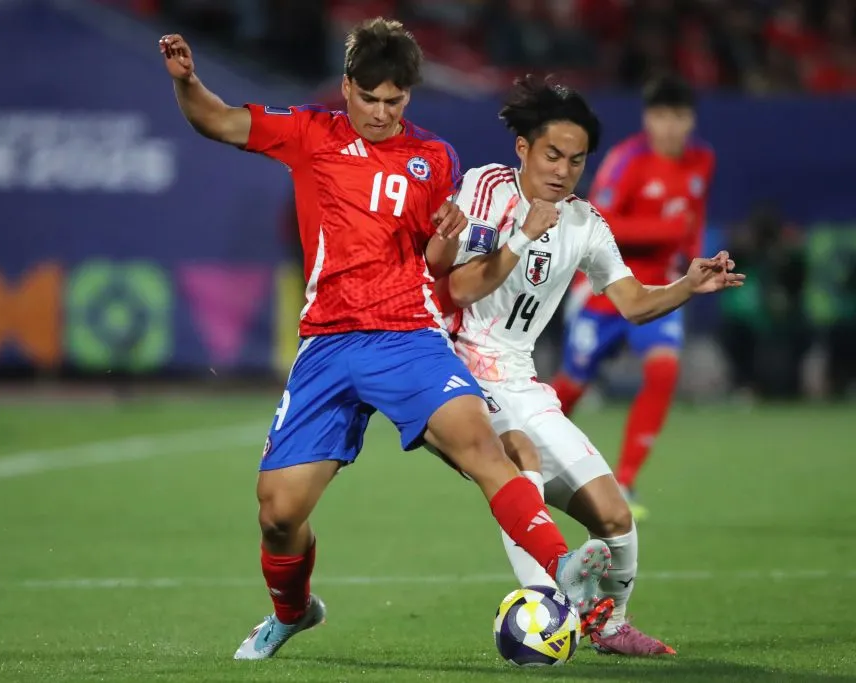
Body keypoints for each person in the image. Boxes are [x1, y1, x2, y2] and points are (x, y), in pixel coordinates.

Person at [158, 19, 614, 662]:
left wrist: (451, 235)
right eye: (368, 98)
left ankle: (562, 568)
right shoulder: (309, 133)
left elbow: (436, 262)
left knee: (483, 447)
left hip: (406, 335)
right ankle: (293, 612)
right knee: (278, 513)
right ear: (346, 88)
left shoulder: (436, 158)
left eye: (394, 101)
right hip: (327, 344)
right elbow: (219, 121)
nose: (380, 112)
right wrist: (188, 83)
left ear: (409, 97)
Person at [428, 75, 743, 655]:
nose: (563, 170)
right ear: (522, 147)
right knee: (517, 453)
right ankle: (547, 602)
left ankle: (611, 625)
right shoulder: (484, 190)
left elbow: (631, 302)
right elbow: (457, 289)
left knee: (616, 516)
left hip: (519, 377)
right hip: (453, 368)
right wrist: (521, 238)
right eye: (552, 154)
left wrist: (686, 285)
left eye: (575, 160)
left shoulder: (586, 224)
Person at [548, 75, 715, 520]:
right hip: (607, 286)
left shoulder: (702, 160)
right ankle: (521, 454)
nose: (670, 126)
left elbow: (693, 220)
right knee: (573, 384)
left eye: (679, 116)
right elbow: (598, 221)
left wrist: (694, 263)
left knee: (663, 371)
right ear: (647, 118)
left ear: (691, 119)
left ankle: (624, 481)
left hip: (660, 286)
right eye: (661, 116)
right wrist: (667, 231)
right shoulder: (627, 161)